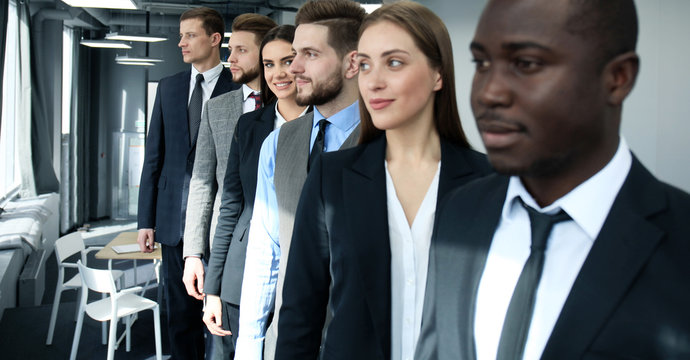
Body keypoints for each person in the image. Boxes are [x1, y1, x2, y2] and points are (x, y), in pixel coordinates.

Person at [415, 0, 690, 359]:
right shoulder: (459, 211)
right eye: (482, 63)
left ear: (618, 78)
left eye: (526, 64)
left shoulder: (681, 243)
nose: (488, 93)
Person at [275, 2, 492, 359]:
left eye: (394, 63)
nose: (373, 81)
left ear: (438, 74)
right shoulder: (332, 179)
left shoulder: (490, 184)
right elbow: (301, 314)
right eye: (364, 65)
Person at [235, 1, 366, 359]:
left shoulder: (387, 142)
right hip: (289, 340)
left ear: (352, 62)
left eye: (308, 54)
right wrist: (249, 344)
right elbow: (267, 250)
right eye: (294, 54)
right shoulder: (278, 142)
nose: (293, 67)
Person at [136, 7, 238, 360]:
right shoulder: (168, 88)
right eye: (181, 36)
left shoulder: (238, 87)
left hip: (221, 224)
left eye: (189, 35)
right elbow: (153, 158)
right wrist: (145, 221)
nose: (181, 42)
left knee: (223, 320)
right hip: (171, 223)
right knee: (179, 317)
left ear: (214, 39)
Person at [202, 24, 309, 353]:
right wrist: (213, 289)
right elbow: (231, 206)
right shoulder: (249, 126)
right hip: (243, 274)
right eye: (269, 64)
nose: (279, 73)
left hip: (303, 278)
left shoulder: (325, 128)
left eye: (288, 61)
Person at [182, 14, 277, 311]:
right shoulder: (216, 108)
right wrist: (193, 253)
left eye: (241, 50)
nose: (230, 58)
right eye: (230, 48)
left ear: (265, 55)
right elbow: (201, 184)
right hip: (226, 248)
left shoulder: (294, 108)